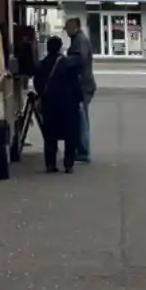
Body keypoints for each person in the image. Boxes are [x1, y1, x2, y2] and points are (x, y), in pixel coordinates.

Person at [33, 36, 82, 172]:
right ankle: (68, 164)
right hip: (67, 104)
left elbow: (37, 83)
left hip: (49, 104)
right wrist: (78, 100)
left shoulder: (42, 65)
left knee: (50, 136)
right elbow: (75, 84)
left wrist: (43, 95)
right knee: (70, 135)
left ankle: (50, 163)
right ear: (60, 47)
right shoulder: (67, 64)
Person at [64, 15, 96, 162]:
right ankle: (80, 148)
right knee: (79, 117)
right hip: (81, 84)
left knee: (81, 118)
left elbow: (79, 59)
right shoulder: (77, 40)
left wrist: (64, 62)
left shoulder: (80, 41)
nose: (66, 31)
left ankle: (83, 150)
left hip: (83, 84)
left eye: (68, 28)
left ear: (75, 27)